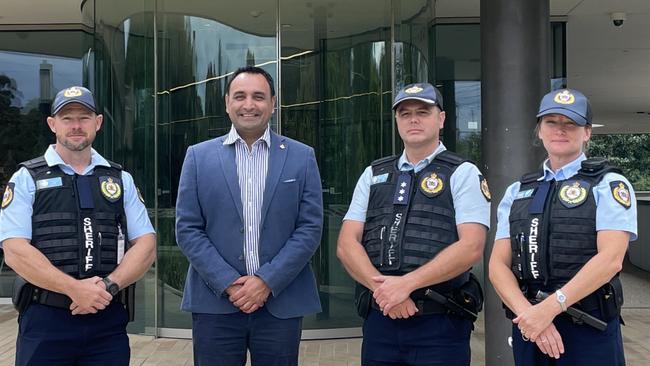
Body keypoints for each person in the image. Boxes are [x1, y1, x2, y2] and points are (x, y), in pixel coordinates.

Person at [175, 66, 323, 366]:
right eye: (240, 96)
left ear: (273, 103)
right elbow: (188, 229)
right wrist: (230, 282)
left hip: (280, 303)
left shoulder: (301, 156)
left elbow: (309, 228)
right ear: (227, 102)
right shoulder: (198, 156)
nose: (249, 105)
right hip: (215, 303)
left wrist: (266, 281)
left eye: (259, 96)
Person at [0, 86, 156, 365]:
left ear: (98, 123)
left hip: (107, 321)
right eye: (66, 118)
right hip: (45, 320)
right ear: (52, 124)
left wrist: (108, 286)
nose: (75, 126)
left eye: (83, 117)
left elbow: (146, 245)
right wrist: (75, 289)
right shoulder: (27, 178)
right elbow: (15, 250)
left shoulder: (120, 179)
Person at [337, 82, 490, 365]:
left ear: (441, 119)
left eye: (423, 111)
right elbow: (347, 244)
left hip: (439, 322)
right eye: (405, 113)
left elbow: (471, 247)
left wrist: (406, 285)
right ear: (396, 120)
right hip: (380, 319)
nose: (414, 119)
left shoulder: (463, 173)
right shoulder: (374, 173)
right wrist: (386, 292)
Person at [488, 89, 637, 365]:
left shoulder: (608, 184)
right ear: (540, 130)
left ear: (587, 132)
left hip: (589, 327)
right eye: (551, 122)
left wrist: (548, 309)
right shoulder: (517, 191)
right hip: (530, 326)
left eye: (571, 123)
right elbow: (498, 264)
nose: (560, 130)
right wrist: (532, 316)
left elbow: (611, 260)